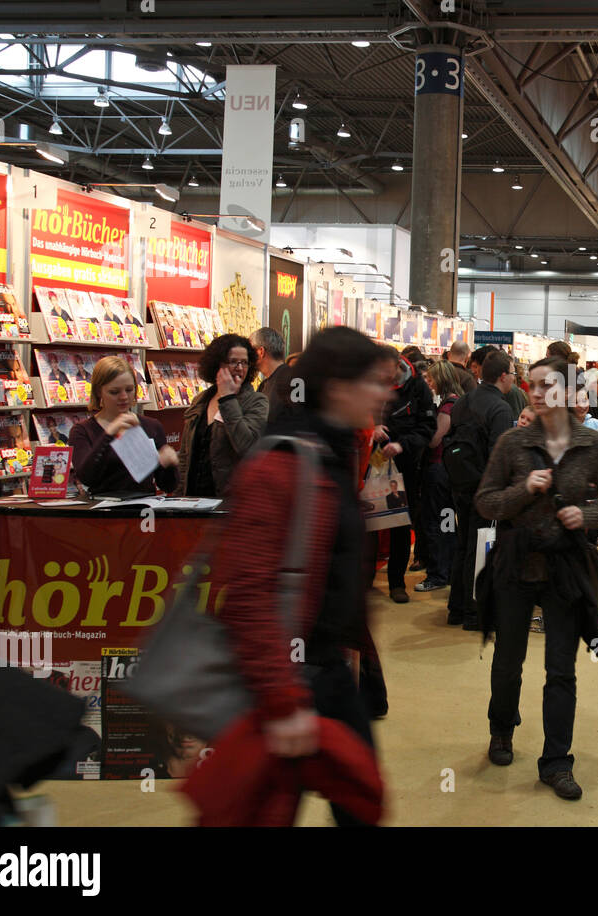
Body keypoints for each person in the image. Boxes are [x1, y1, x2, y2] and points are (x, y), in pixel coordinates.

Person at [209, 326, 390, 826]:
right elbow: (247, 591)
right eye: (372, 382)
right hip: (290, 678)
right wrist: (283, 699)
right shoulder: (283, 462)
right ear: (337, 387)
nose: (382, 393)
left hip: (325, 670)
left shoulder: (331, 451)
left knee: (360, 800)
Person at [475, 356, 598, 801]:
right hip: (516, 563)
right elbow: (485, 502)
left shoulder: (590, 444)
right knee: (508, 661)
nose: (536, 393)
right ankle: (502, 729)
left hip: (565, 568)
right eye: (532, 385)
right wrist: (526, 489)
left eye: (547, 386)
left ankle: (557, 762)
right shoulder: (512, 442)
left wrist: (590, 513)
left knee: (562, 670)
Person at [446, 349, 515, 628]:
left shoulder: (464, 401)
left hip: (460, 483)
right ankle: (476, 612)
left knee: (464, 546)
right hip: (484, 489)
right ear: (502, 376)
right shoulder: (500, 408)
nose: (514, 379)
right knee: (483, 548)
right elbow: (499, 455)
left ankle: (457, 608)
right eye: (512, 373)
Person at [374, 345, 436, 604]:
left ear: (398, 365)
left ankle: (396, 583)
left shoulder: (418, 387)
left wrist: (403, 444)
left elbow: (427, 427)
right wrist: (370, 428)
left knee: (399, 523)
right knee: (366, 522)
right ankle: (360, 580)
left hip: (403, 466)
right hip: (367, 464)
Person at [70, 356, 179, 496]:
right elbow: (87, 477)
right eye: (114, 392)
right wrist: (108, 435)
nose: (124, 397)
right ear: (99, 392)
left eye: (129, 390)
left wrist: (169, 465)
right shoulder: (82, 430)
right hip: (104, 511)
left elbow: (168, 486)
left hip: (144, 509)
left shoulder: (152, 426)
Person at [177, 334, 269, 497]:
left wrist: (227, 399)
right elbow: (186, 455)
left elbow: (247, 447)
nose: (240, 368)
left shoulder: (257, 402)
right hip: (192, 502)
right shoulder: (201, 400)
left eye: (245, 362)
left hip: (229, 505)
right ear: (217, 364)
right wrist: (178, 498)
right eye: (233, 362)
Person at [415, 360, 463, 592]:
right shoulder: (453, 402)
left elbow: (434, 439)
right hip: (445, 471)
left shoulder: (447, 406)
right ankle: (447, 570)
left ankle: (438, 573)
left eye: (430, 379)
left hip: (438, 471)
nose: (427, 383)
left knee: (437, 523)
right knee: (445, 523)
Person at [251, 327, 294, 428]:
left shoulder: (294, 380)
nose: (247, 356)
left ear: (260, 352)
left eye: (249, 350)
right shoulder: (263, 385)